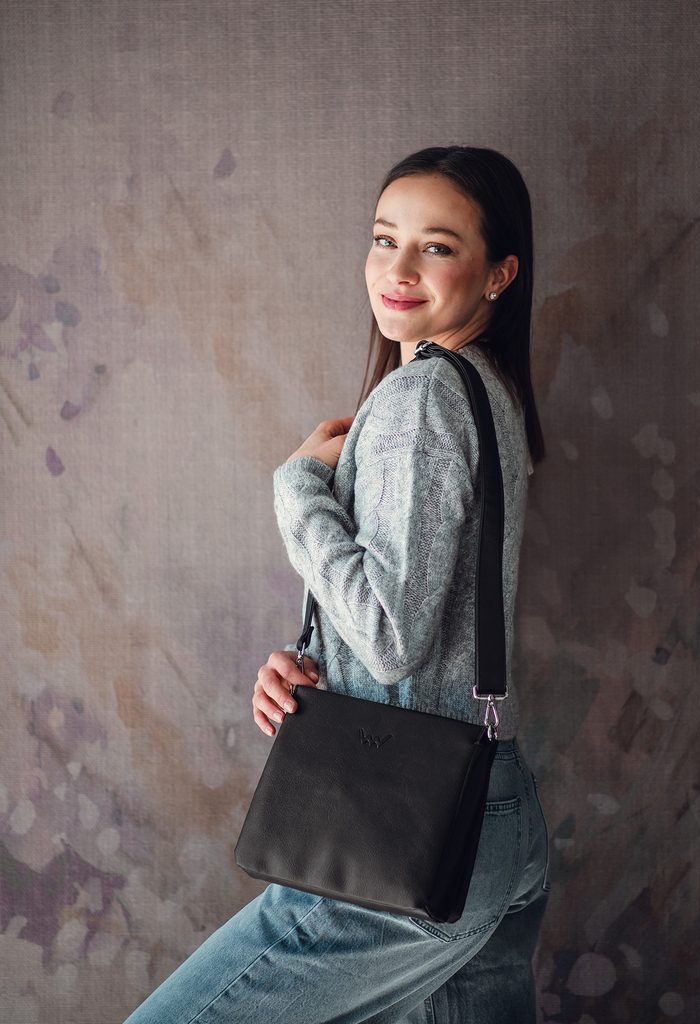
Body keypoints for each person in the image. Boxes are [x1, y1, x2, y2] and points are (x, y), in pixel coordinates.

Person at [124, 145, 550, 1024]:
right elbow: (428, 615)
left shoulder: (421, 398)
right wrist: (311, 656)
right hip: (493, 811)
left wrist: (297, 487)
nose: (398, 268)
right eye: (384, 238)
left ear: (499, 273)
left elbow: (392, 635)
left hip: (406, 827)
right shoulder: (491, 394)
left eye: (437, 246)